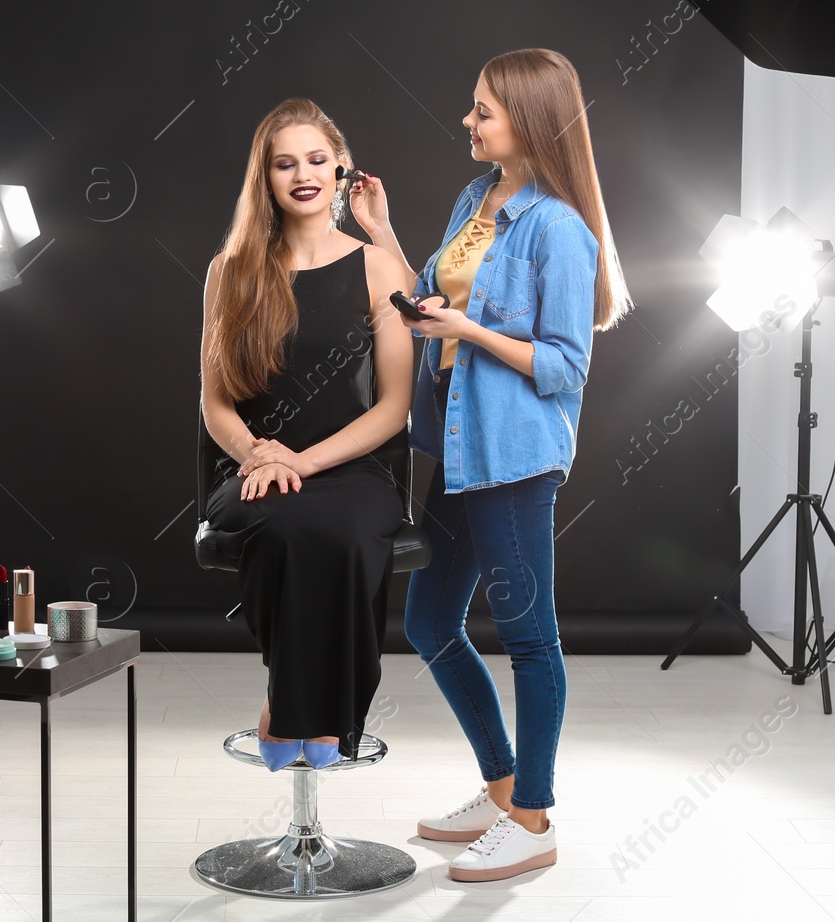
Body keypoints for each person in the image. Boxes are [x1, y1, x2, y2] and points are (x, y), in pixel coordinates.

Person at [354, 48, 632, 880]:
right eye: (471, 107)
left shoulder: (561, 228)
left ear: (531, 119)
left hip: (514, 461)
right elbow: (430, 302)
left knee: (530, 639)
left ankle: (536, 817)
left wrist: (468, 333)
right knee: (432, 623)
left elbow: (562, 366)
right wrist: (384, 235)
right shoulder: (475, 199)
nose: (467, 122)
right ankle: (504, 783)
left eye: (483, 110)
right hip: (454, 446)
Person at [200, 96, 414, 771]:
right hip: (256, 467)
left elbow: (395, 405)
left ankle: (322, 711)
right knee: (285, 525)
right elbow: (214, 404)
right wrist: (259, 454)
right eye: (284, 163)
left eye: (317, 160)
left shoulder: (377, 265)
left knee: (343, 532)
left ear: (342, 169)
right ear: (264, 178)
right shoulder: (229, 270)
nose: (303, 174)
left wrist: (303, 458)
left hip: (354, 466)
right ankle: (291, 699)